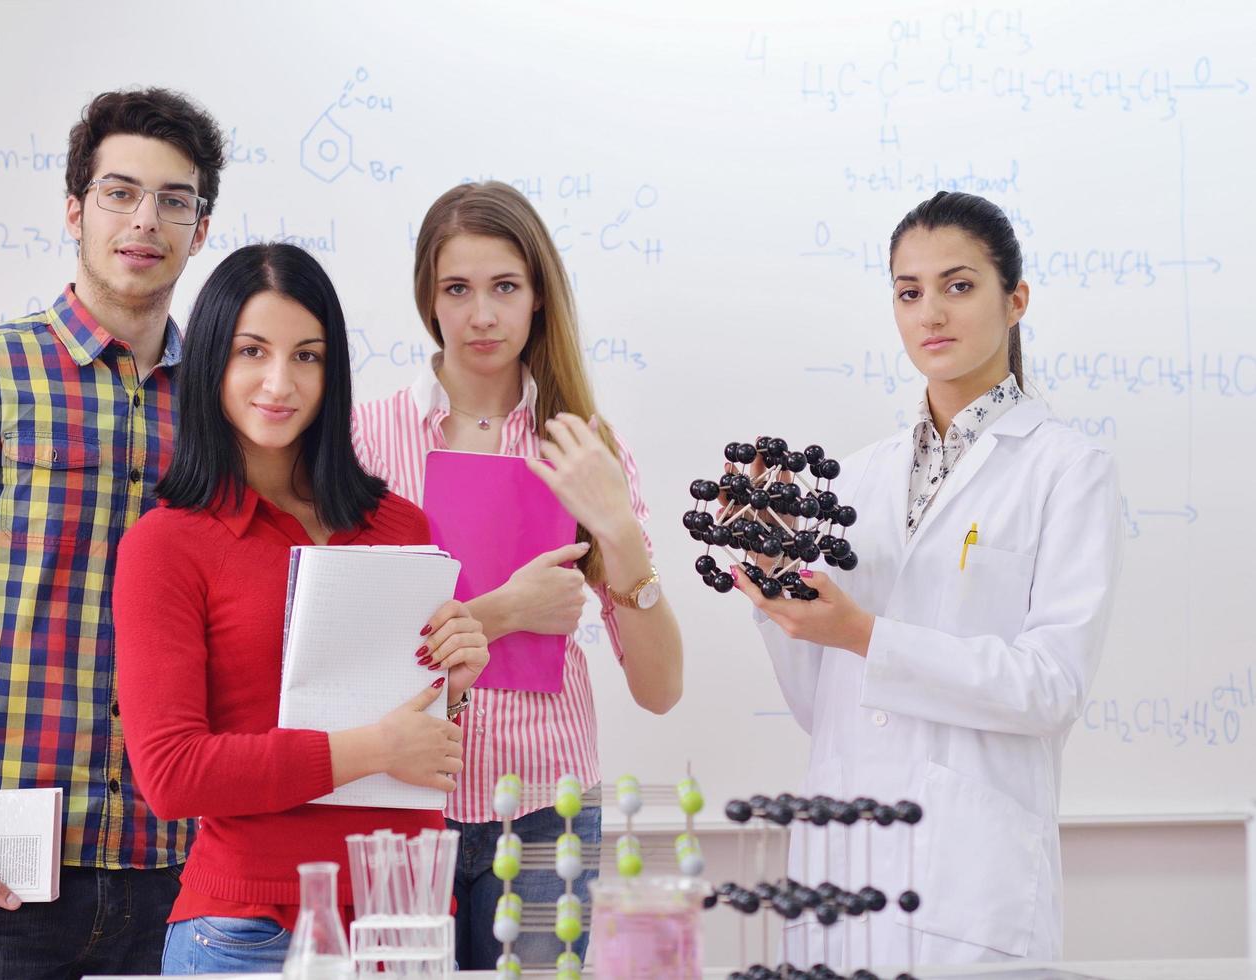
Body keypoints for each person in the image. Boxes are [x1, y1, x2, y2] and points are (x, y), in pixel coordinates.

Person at [0, 88, 225, 978]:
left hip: (176, 872)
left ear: (201, 229)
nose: (147, 220)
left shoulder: (223, 410)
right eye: (120, 193)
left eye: (176, 200)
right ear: (74, 209)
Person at [738, 191, 1122, 966]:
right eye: (909, 292)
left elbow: (1051, 687)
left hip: (971, 890)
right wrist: (779, 589)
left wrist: (865, 635)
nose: (931, 313)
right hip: (841, 877)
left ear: (1014, 299)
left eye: (958, 285)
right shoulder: (853, 479)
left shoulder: (1067, 470)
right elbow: (828, 706)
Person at [113, 242, 489, 975]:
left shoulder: (401, 528)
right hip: (252, 933)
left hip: (405, 922)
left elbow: (419, 733)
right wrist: (376, 749)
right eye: (253, 351)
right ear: (212, 362)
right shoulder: (166, 545)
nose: (279, 382)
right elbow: (171, 775)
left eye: (308, 356)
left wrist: (458, 677)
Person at [351, 181, 684, 969]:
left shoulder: (580, 445)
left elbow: (661, 689)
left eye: (505, 287)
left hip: (543, 807)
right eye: (456, 290)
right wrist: (503, 611)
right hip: (403, 802)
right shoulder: (367, 439)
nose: (483, 316)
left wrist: (620, 531)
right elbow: (344, 648)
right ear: (428, 302)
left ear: (539, 296)